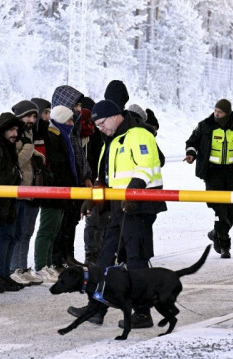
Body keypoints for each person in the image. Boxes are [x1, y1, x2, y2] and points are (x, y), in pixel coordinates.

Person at [72, 99, 166, 328]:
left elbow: (146, 168)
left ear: (115, 116)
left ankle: (143, 313)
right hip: (118, 208)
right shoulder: (110, 141)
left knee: (136, 260)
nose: (100, 128)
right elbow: (105, 178)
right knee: (105, 258)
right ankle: (96, 308)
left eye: (102, 123)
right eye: (97, 125)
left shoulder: (140, 135)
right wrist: (92, 200)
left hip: (139, 207)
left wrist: (133, 194)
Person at [184, 99, 233, 259]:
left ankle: (216, 232)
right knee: (219, 208)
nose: (216, 114)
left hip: (230, 172)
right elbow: (192, 142)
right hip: (212, 172)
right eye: (215, 110)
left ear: (227, 113)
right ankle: (224, 244)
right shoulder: (205, 125)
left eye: (219, 112)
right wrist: (191, 153)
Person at [34, 105, 78, 282]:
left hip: (62, 191)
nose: (72, 123)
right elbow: (57, 165)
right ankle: (41, 266)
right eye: (69, 120)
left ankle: (47, 265)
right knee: (47, 229)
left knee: (54, 230)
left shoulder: (62, 136)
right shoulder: (53, 136)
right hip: (53, 190)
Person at [51, 85, 92, 270]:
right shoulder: (59, 130)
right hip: (63, 185)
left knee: (72, 221)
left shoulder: (73, 128)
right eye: (75, 105)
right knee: (61, 224)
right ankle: (58, 258)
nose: (78, 109)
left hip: (76, 183)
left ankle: (68, 255)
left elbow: (80, 156)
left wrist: (86, 176)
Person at [9, 100, 44, 286]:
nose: (31, 120)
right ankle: (14, 267)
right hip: (18, 189)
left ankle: (21, 266)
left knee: (27, 231)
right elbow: (17, 161)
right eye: (28, 116)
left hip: (28, 188)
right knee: (17, 232)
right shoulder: (15, 134)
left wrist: (38, 155)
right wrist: (31, 149)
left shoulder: (28, 133)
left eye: (33, 116)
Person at [0, 113, 24, 292]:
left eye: (16, 129)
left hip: (10, 198)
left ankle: (4, 274)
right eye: (11, 129)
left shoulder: (9, 147)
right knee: (3, 238)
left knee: (11, 236)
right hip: (0, 199)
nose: (15, 133)